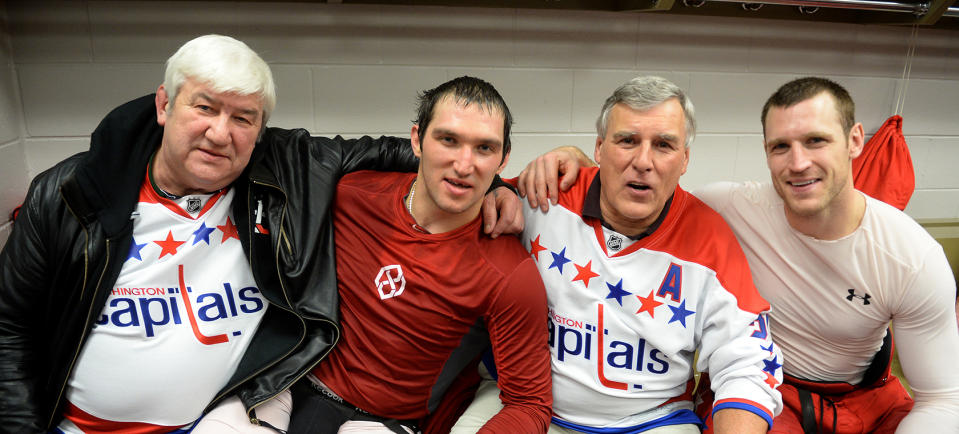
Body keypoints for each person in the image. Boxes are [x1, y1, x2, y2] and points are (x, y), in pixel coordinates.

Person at [0, 35, 521, 433]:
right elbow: (9, 329)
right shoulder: (71, 194)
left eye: (243, 117)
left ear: (262, 128)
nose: (221, 132)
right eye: (203, 107)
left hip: (230, 415)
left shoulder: (290, 170)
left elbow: (413, 151)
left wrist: (499, 185)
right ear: (164, 105)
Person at [520, 76, 959, 433]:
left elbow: (943, 398)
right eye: (781, 146)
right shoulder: (726, 207)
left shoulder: (912, 256)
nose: (799, 162)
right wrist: (571, 159)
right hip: (776, 394)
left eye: (817, 141)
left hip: (866, 396)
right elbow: (633, 187)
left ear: (855, 140)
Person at [454, 76, 783, 433]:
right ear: (598, 148)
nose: (643, 161)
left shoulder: (712, 240)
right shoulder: (546, 197)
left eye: (663, 145)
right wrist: (497, 191)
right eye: (627, 141)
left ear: (684, 159)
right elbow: (457, 194)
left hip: (652, 421)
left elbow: (747, 363)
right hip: (519, 401)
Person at [285, 76, 552, 434]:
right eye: (448, 140)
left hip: (385, 423)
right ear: (416, 140)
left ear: (503, 160)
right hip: (293, 390)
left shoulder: (508, 271)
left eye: (484, 148)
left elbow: (530, 403)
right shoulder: (350, 196)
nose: (464, 164)